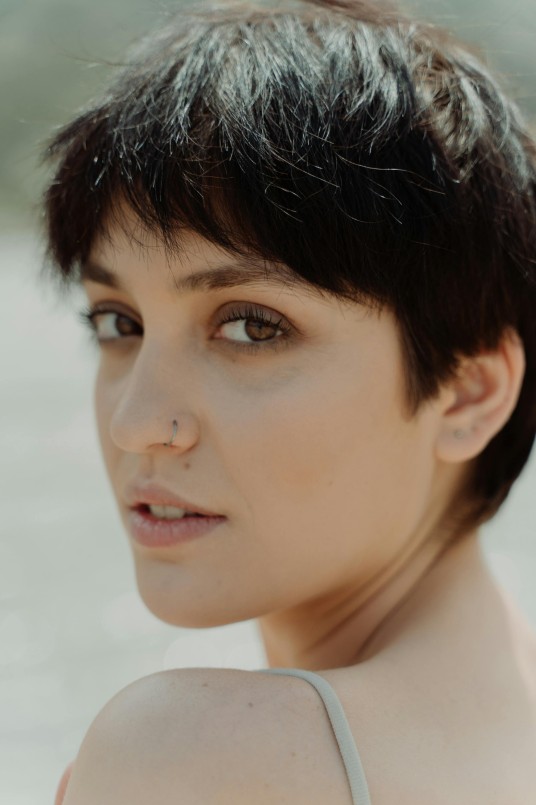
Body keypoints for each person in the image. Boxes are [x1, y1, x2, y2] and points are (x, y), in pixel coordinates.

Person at [46, 0, 535, 802]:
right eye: (118, 323)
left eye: (251, 325)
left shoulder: (193, 756)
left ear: (467, 392)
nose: (138, 424)